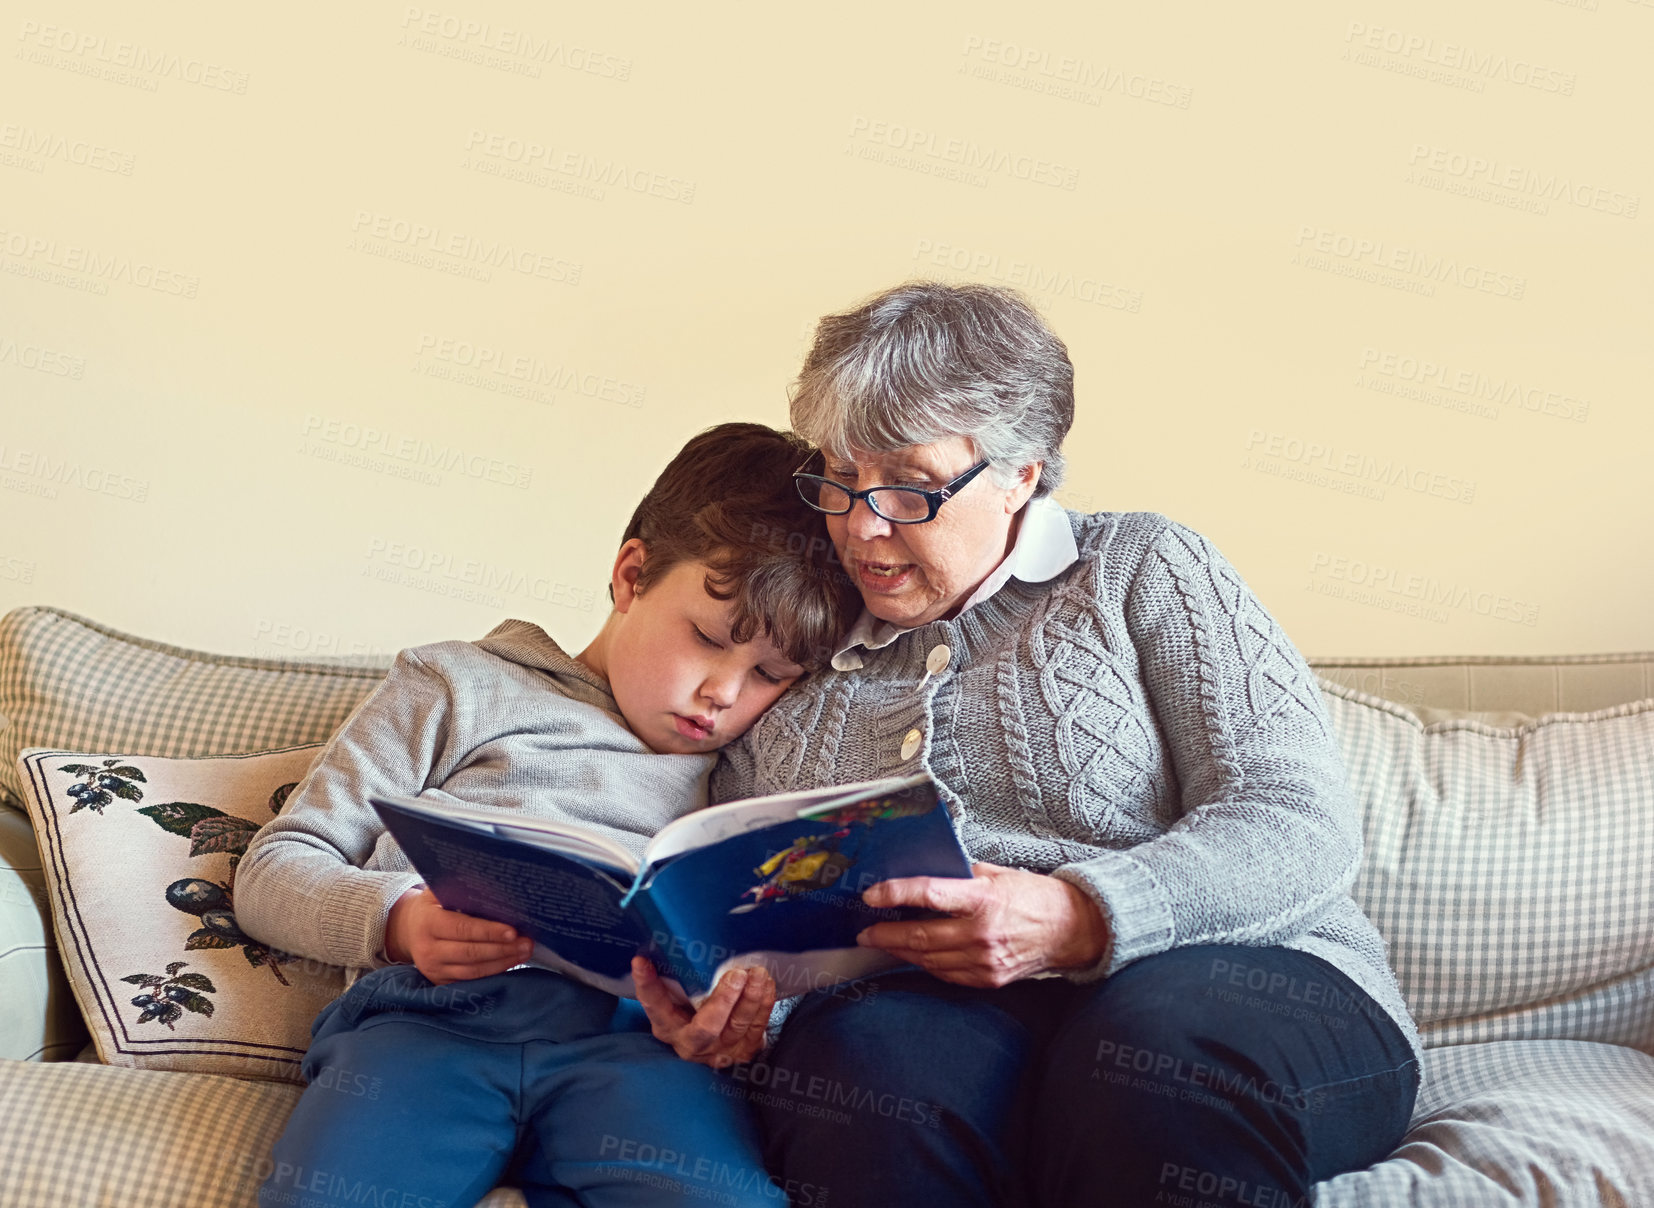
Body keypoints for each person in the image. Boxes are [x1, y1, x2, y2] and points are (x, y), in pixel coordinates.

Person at [679, 283, 1422, 1207]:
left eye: (908, 485)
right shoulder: (795, 649)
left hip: (1240, 980)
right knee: (862, 1072)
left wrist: (1081, 917)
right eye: (841, 474)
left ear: (1022, 473)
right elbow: (760, 900)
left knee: (1145, 1056)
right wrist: (748, 1000)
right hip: (944, 1012)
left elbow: (1296, 820)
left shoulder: (1144, 569)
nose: (862, 524)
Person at [236, 422, 860, 1208]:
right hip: (428, 1026)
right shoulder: (457, 683)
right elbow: (275, 866)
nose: (725, 694)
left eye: (772, 674)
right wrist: (400, 921)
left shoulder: (752, 768)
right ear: (631, 575)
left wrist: (738, 1010)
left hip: (640, 1053)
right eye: (706, 639)